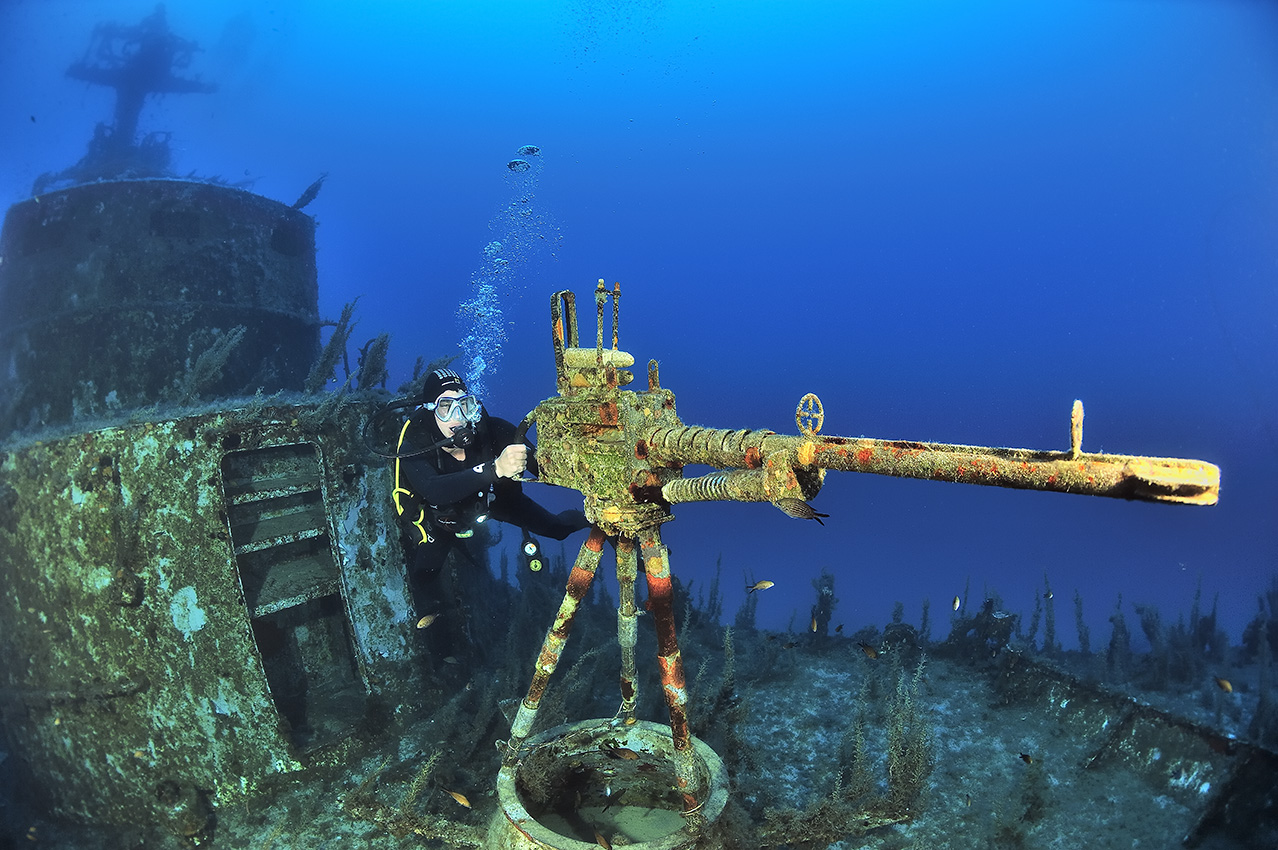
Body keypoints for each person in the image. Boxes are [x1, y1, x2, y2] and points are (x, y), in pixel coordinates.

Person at [392, 368, 590, 611]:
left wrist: (555, 455)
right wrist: (496, 468)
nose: (458, 416)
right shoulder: (414, 444)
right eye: (446, 407)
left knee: (558, 529)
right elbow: (434, 490)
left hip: (494, 502)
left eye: (464, 405)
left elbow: (549, 472)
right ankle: (440, 612)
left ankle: (593, 521)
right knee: (425, 575)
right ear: (430, 410)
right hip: (444, 518)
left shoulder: (494, 430)